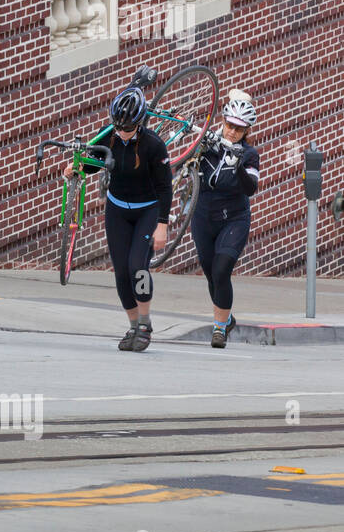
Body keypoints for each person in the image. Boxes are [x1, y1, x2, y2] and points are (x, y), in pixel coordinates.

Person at [68, 85, 172, 352]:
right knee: (121, 275)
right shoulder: (110, 135)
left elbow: (164, 187)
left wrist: (162, 224)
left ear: (139, 123)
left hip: (146, 210)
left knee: (137, 267)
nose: (122, 132)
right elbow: (95, 162)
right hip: (117, 209)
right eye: (118, 127)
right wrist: (77, 167)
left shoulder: (153, 145)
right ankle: (133, 324)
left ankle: (146, 323)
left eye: (128, 129)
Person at [190, 92, 260, 348]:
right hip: (203, 215)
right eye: (230, 125)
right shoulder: (210, 141)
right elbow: (186, 162)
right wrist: (200, 143)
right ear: (223, 121)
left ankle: (219, 329)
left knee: (222, 270)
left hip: (234, 218)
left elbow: (250, 188)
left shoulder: (249, 154)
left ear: (246, 130)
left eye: (239, 129)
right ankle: (227, 318)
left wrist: (238, 165)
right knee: (211, 276)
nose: (232, 132)